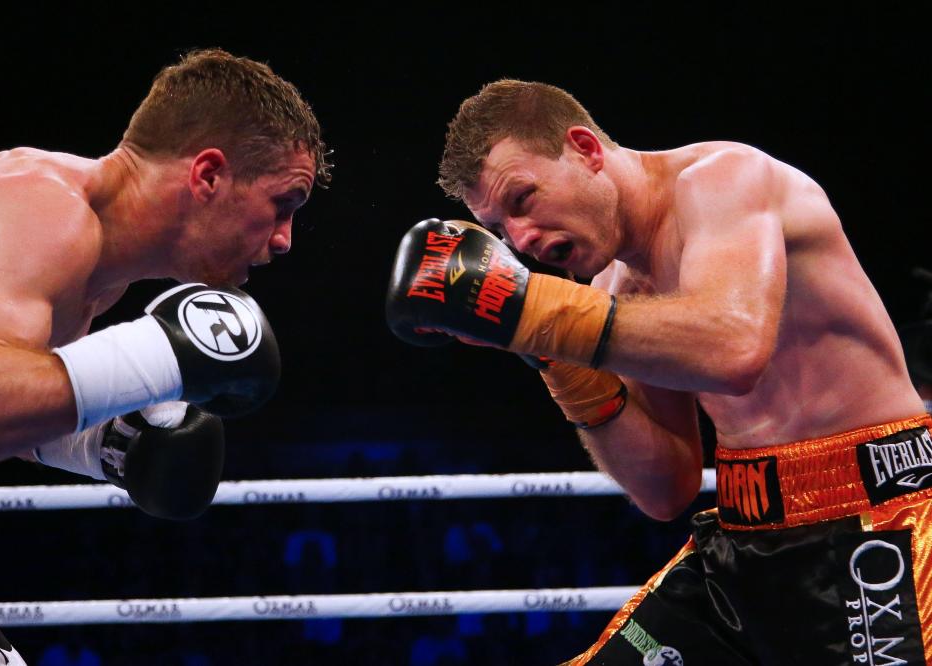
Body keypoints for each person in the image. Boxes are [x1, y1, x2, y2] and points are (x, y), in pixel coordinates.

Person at [387, 79, 929, 664]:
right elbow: (665, 489)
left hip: (878, 525)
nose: (520, 241)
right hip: (742, 544)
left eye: (522, 200)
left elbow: (734, 347)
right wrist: (552, 359)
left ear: (585, 149)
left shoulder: (724, 181)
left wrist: (531, 312)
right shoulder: (608, 293)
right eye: (499, 230)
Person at [0, 48, 329, 664]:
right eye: (284, 204)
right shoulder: (47, 213)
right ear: (207, 176)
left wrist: (104, 444)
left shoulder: (96, 270)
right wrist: (157, 357)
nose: (283, 240)